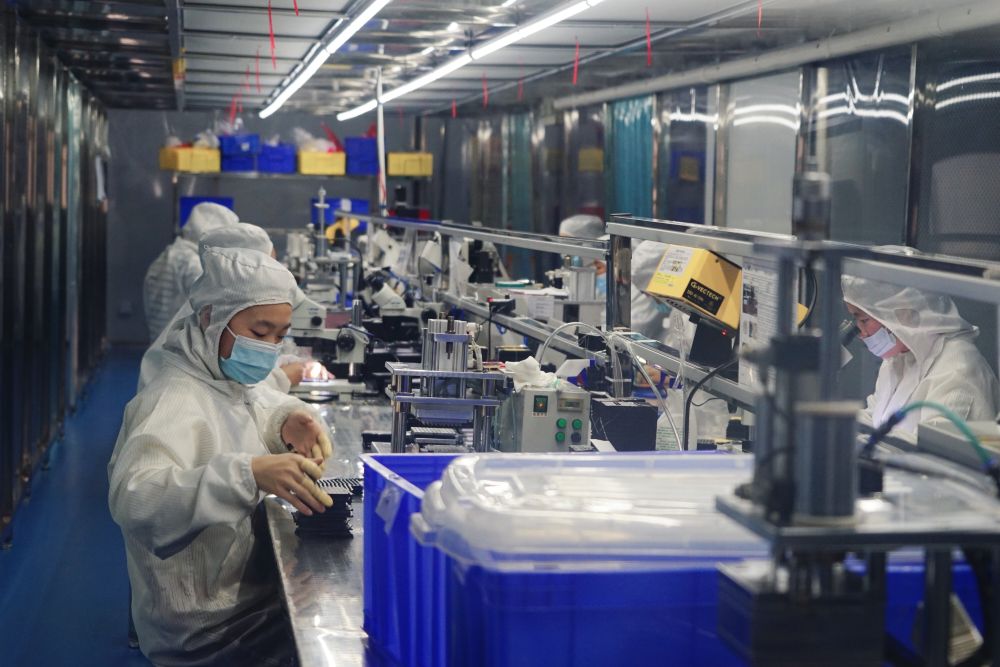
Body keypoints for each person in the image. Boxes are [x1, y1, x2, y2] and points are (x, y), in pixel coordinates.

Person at [109, 246, 334, 666]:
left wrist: (285, 420)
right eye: (260, 332)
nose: (270, 348)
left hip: (239, 593)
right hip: (204, 627)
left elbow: (249, 405)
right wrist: (248, 475)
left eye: (280, 335)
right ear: (211, 318)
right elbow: (135, 499)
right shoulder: (172, 399)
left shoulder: (220, 377)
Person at [138, 223, 306, 393]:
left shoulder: (213, 325)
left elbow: (234, 397)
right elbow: (224, 392)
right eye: (259, 333)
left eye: (280, 335)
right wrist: (280, 378)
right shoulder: (179, 389)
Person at [843, 275, 1000, 435]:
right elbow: (875, 418)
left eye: (864, 320)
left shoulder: (957, 369)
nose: (860, 333)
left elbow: (932, 446)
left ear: (903, 313)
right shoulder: (899, 358)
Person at [143, 202, 238, 340]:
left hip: (158, 340)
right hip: (178, 344)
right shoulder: (194, 264)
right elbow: (213, 310)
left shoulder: (166, 256)